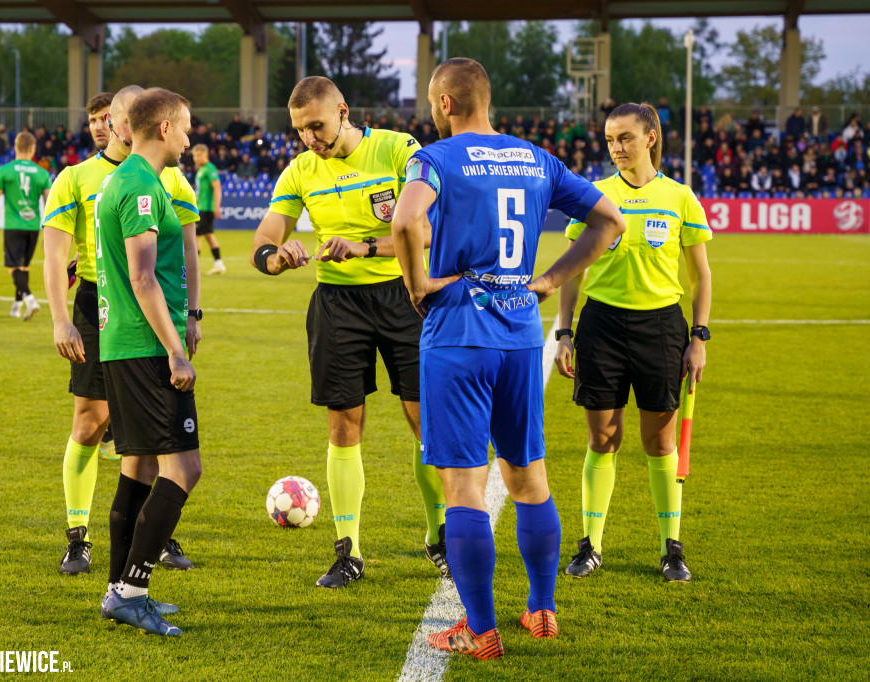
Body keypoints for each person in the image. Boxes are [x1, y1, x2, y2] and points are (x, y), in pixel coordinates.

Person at [391, 58, 624, 659]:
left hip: (458, 332)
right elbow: (609, 221)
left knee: (464, 488)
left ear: (444, 103)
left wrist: (418, 286)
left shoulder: (435, 159)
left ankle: (480, 629)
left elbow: (405, 219)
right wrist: (549, 278)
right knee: (528, 477)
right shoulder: (535, 158)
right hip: (521, 333)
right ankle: (542, 610)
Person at [250, 75, 449, 589]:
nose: (309, 138)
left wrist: (364, 247)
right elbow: (265, 238)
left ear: (342, 111)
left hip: (405, 297)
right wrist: (278, 256)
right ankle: (349, 551)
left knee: (424, 422)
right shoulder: (300, 171)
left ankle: (438, 535)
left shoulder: (398, 149)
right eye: (299, 130)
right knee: (344, 426)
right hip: (336, 304)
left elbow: (424, 230)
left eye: (316, 125)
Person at [42, 88, 199, 576]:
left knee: (141, 455)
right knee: (102, 430)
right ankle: (86, 542)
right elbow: (134, 273)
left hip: (140, 319)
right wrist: (61, 317)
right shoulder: (98, 180)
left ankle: (131, 569)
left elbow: (186, 251)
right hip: (118, 315)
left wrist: (193, 314)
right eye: (104, 118)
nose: (107, 125)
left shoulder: (162, 179)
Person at [556, 102, 713, 584]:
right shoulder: (594, 195)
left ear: (650, 137)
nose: (616, 148)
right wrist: (564, 331)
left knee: (659, 440)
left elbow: (701, 276)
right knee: (603, 438)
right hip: (601, 326)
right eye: (609, 140)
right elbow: (572, 268)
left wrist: (699, 337)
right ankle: (591, 545)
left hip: (662, 328)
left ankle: (672, 550)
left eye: (624, 138)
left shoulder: (680, 197)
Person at [95, 87, 201, 637]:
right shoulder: (139, 186)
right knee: (184, 469)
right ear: (163, 128)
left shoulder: (130, 180)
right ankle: (132, 590)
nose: (189, 136)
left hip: (125, 345)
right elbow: (141, 277)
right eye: (185, 126)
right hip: (144, 346)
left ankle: (119, 588)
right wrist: (176, 349)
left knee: (136, 467)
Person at [0, 131, 52, 319]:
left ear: (15, 148)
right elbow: (50, 205)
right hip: (33, 227)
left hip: (13, 225)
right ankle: (17, 307)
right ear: (33, 149)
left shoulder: (5, 170)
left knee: (13, 267)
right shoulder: (42, 173)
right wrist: (48, 232)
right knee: (23, 268)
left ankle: (30, 300)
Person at [190, 144, 226, 275]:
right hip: (201, 207)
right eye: (195, 155)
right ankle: (219, 264)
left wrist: (217, 206)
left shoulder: (209, 168)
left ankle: (192, 269)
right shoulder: (201, 169)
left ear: (206, 155)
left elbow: (217, 187)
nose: (196, 158)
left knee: (194, 235)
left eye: (199, 155)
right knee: (209, 236)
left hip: (205, 208)